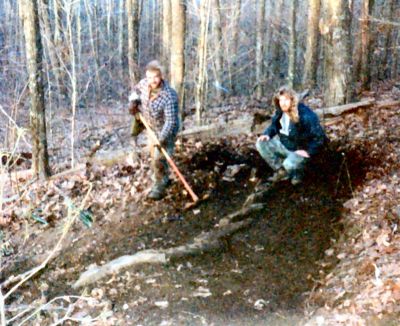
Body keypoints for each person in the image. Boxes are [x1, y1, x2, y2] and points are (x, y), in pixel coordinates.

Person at [128, 60, 180, 200]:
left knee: (159, 158)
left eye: (156, 77)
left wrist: (161, 139)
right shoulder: (145, 84)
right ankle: (164, 178)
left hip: (166, 129)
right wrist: (133, 101)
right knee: (155, 156)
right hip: (151, 126)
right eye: (150, 77)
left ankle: (159, 188)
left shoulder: (169, 96)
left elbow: (170, 121)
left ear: (161, 76)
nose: (153, 80)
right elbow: (136, 91)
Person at [256, 86, 326, 186]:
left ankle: (297, 174)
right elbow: (273, 126)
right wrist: (267, 134)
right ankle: (282, 172)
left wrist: (308, 150)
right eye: (281, 100)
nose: (283, 103)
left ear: (292, 100)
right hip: (286, 146)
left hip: (301, 150)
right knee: (261, 144)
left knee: (289, 164)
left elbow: (319, 137)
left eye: (286, 100)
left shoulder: (306, 115)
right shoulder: (280, 112)